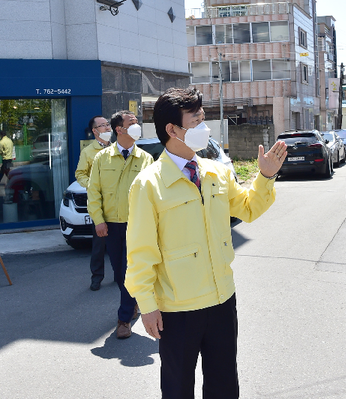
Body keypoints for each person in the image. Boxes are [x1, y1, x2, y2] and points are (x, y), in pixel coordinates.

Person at [125, 87, 287, 398]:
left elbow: (248, 208)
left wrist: (264, 177)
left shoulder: (215, 172)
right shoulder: (148, 185)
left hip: (222, 299)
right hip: (177, 308)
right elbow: (141, 251)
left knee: (225, 384)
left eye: (204, 119)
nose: (205, 127)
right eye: (196, 121)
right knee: (177, 387)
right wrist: (146, 306)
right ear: (172, 129)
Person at [87, 110, 154, 339]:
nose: (136, 126)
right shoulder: (102, 158)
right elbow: (93, 192)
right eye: (131, 123)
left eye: (137, 122)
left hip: (137, 225)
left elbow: (153, 196)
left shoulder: (145, 159)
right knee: (118, 272)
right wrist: (99, 220)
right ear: (119, 129)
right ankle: (132, 301)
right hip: (111, 225)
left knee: (129, 270)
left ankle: (123, 319)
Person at [76, 116, 112, 291]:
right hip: (100, 205)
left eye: (107, 124)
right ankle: (96, 277)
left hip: (119, 203)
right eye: (102, 126)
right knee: (99, 244)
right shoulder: (89, 151)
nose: (106, 128)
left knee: (121, 243)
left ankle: (122, 275)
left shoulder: (119, 148)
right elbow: (80, 174)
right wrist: (92, 184)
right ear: (94, 131)